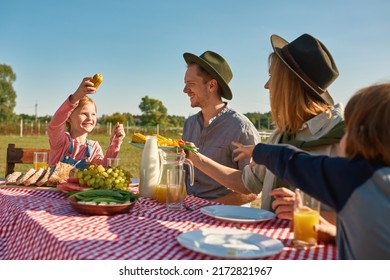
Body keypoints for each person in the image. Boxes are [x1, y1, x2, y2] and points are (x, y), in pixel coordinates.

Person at [185, 34, 345, 240]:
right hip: (269, 247)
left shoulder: (344, 138)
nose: (267, 85)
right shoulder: (280, 135)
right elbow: (246, 183)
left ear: (289, 83)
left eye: (272, 76)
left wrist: (311, 214)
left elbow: (372, 216)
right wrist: (195, 158)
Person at [232, 83, 390, 259]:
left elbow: (292, 162)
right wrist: (336, 234)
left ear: (359, 135)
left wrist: (258, 151)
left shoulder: (354, 178)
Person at [182, 50, 260, 205]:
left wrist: (209, 207)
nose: (185, 90)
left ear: (211, 85)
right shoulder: (189, 124)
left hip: (223, 219)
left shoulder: (241, 128)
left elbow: (254, 191)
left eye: (190, 84)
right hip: (188, 211)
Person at [48, 76, 125, 168]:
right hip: (56, 183)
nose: (90, 118)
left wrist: (115, 142)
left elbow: (103, 168)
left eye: (93, 114)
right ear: (68, 117)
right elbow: (55, 125)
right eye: (84, 114)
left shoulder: (94, 147)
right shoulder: (61, 141)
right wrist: (76, 96)